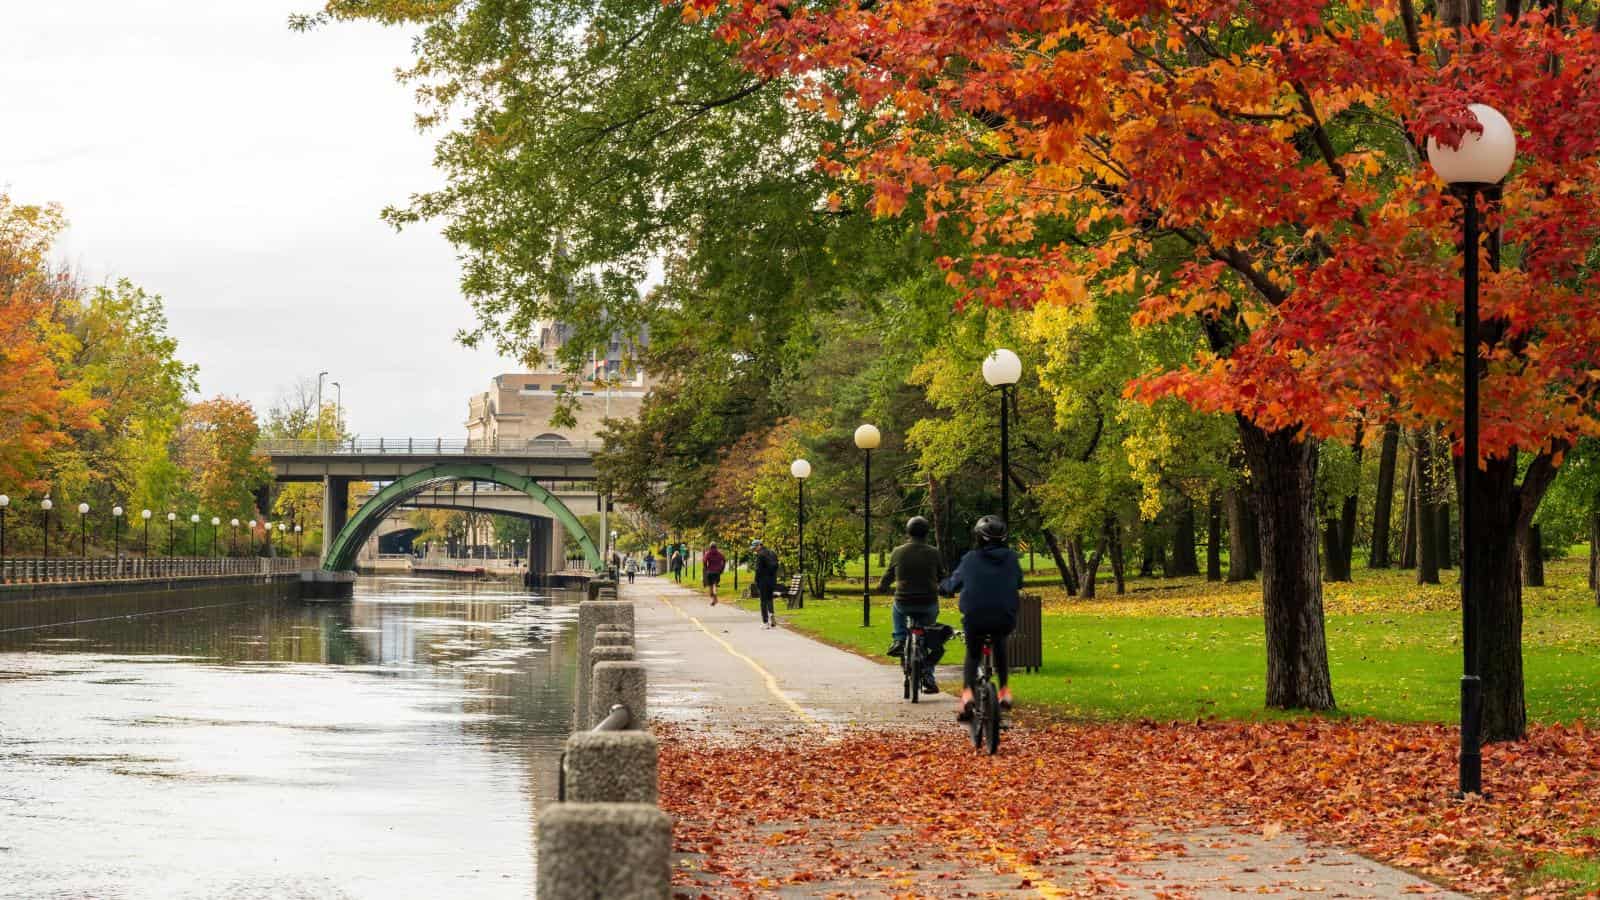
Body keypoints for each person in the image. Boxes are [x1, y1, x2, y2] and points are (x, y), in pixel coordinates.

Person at [940, 515, 1022, 721]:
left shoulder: (970, 559)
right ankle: (1004, 690)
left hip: (975, 617)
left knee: (973, 653)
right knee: (1000, 644)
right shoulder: (1012, 558)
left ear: (978, 537)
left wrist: (944, 588)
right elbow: (1019, 582)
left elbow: (953, 584)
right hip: (1004, 617)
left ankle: (967, 694)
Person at [878, 516, 947, 695]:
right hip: (928, 603)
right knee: (928, 636)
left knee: (896, 607)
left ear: (908, 532)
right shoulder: (934, 552)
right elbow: (941, 575)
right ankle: (929, 677)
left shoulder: (898, 551)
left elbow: (889, 575)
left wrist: (882, 586)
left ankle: (899, 639)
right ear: (926, 533)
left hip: (904, 602)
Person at [751, 539, 780, 628]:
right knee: (769, 598)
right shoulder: (772, 553)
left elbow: (758, 570)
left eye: (755, 547)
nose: (754, 550)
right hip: (772, 580)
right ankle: (771, 613)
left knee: (763, 601)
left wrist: (756, 580)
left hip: (763, 581)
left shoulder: (760, 555)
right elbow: (776, 566)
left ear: (759, 545)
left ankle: (765, 622)